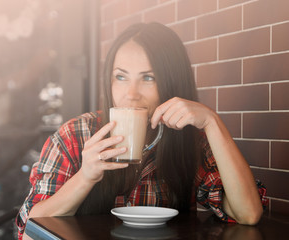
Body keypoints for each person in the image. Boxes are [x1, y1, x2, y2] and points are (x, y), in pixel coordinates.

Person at [16, 22, 267, 239]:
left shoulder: (190, 140)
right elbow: (29, 231)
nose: (131, 94)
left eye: (148, 78)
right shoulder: (74, 135)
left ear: (171, 82)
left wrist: (212, 122)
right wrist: (86, 176)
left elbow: (248, 214)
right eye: (121, 77)